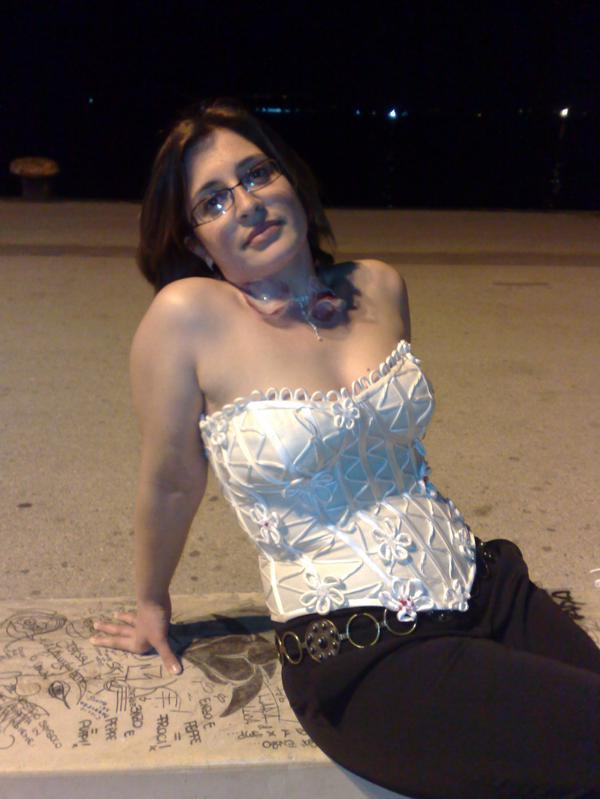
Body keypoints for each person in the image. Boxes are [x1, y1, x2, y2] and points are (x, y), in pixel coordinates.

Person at [90, 97, 600, 799]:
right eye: (213, 200)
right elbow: (173, 480)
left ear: (291, 182)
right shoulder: (187, 319)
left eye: (257, 173)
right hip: (364, 653)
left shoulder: (379, 286)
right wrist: (151, 600)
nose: (246, 202)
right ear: (198, 243)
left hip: (487, 588)